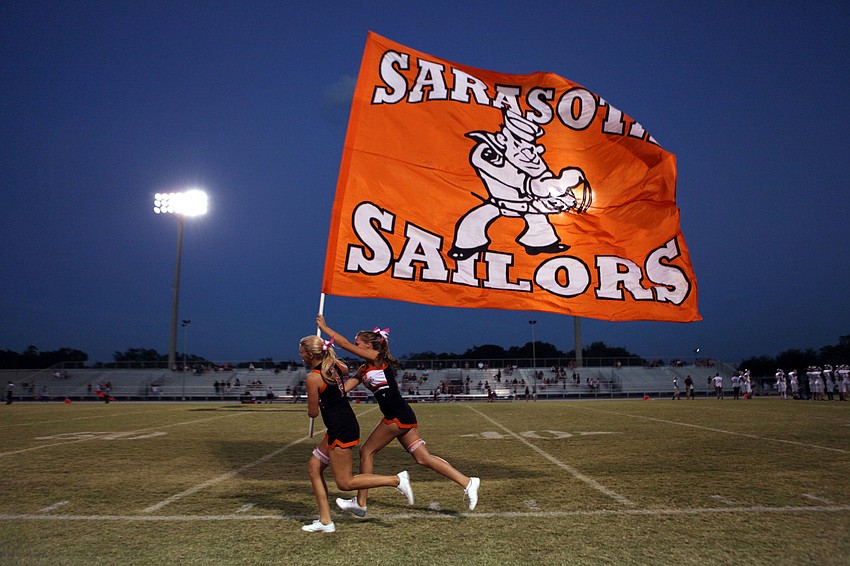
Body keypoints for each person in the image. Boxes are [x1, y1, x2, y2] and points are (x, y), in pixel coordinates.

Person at [316, 315, 480, 517]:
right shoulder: (364, 368)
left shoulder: (378, 359)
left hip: (396, 415)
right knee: (423, 458)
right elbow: (343, 390)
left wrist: (324, 327)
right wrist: (323, 379)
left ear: (369, 345)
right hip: (401, 414)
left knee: (367, 451)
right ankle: (468, 482)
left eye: (358, 343)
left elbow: (343, 344)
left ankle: (361, 503)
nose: (355, 346)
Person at [299, 334, 413, 533]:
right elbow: (343, 369)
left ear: (310, 354)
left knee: (345, 482)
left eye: (302, 353)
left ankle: (396, 480)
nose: (300, 356)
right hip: (343, 424)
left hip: (340, 428)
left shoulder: (313, 377)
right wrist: (328, 356)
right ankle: (326, 521)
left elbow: (312, 412)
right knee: (313, 467)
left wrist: (316, 401)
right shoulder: (334, 368)